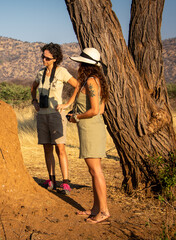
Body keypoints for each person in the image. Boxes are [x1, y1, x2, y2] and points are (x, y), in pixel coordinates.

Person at [67, 47, 110, 223]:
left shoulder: (91, 82)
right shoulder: (97, 80)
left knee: (95, 171)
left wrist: (76, 117)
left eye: (80, 63)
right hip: (92, 128)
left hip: (91, 129)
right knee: (93, 171)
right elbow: (101, 109)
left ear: (85, 65)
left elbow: (93, 110)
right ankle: (95, 208)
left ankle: (104, 211)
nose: (78, 65)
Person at [31, 43, 79, 195]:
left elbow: (77, 85)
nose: (43, 60)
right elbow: (33, 87)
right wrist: (34, 101)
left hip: (56, 115)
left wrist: (68, 104)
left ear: (55, 59)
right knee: (46, 147)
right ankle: (51, 179)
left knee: (60, 148)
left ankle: (65, 182)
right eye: (42, 56)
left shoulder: (62, 72)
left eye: (47, 58)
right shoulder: (40, 72)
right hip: (42, 115)